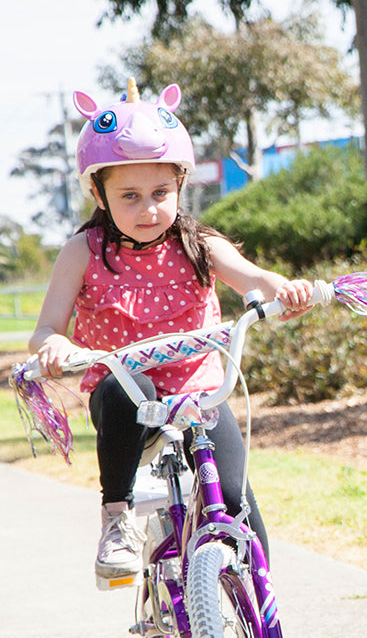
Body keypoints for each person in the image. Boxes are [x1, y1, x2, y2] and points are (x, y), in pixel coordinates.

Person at [30, 78, 314, 583]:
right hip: (126, 400)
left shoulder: (197, 242)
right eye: (130, 196)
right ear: (98, 192)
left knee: (234, 498)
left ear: (181, 186)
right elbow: (47, 328)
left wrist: (282, 289)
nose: (149, 209)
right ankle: (117, 520)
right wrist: (54, 345)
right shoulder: (84, 252)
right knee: (122, 388)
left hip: (200, 395)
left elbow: (253, 277)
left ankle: (258, 599)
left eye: (161, 193)